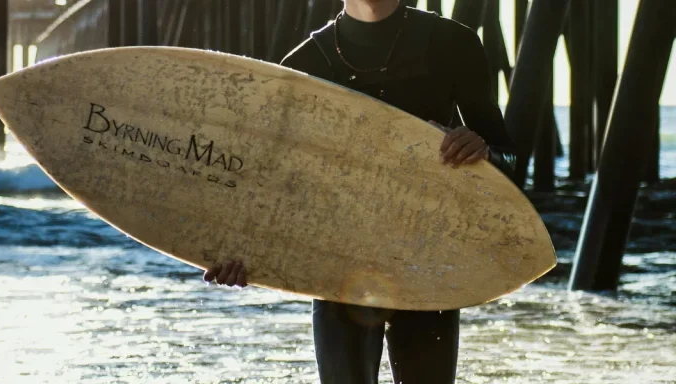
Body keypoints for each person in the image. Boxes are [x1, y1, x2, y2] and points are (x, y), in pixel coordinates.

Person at [203, 0, 517, 382]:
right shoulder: (305, 66)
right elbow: (273, 185)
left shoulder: (451, 43)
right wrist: (240, 255)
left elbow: (511, 161)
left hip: (425, 262)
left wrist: (482, 151)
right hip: (338, 267)